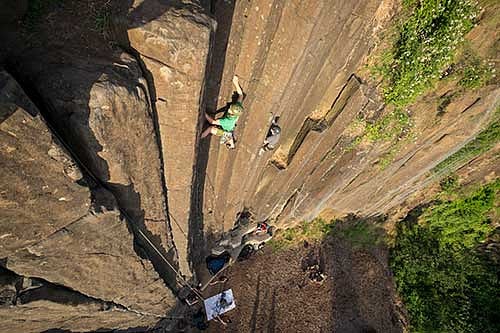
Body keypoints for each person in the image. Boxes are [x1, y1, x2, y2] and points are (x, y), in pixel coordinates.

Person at [201, 75, 244, 149]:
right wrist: (236, 82)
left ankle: (200, 137)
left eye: (230, 109)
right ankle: (231, 142)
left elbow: (212, 122)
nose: (229, 108)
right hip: (230, 129)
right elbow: (241, 95)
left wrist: (203, 113)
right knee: (228, 134)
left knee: (210, 129)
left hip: (226, 132)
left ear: (232, 113)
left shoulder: (226, 121)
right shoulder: (237, 108)